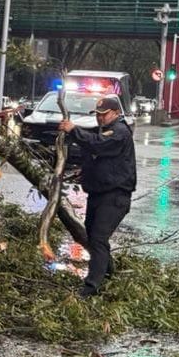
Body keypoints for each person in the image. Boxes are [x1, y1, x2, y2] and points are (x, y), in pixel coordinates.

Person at [59, 95, 136, 297]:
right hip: (98, 194)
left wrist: (74, 130)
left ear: (116, 113)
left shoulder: (119, 132)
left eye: (104, 114)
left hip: (114, 197)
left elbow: (97, 144)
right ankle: (108, 275)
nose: (100, 118)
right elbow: (99, 158)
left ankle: (91, 287)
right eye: (98, 115)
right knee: (94, 237)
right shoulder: (105, 130)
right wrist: (83, 172)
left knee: (99, 238)